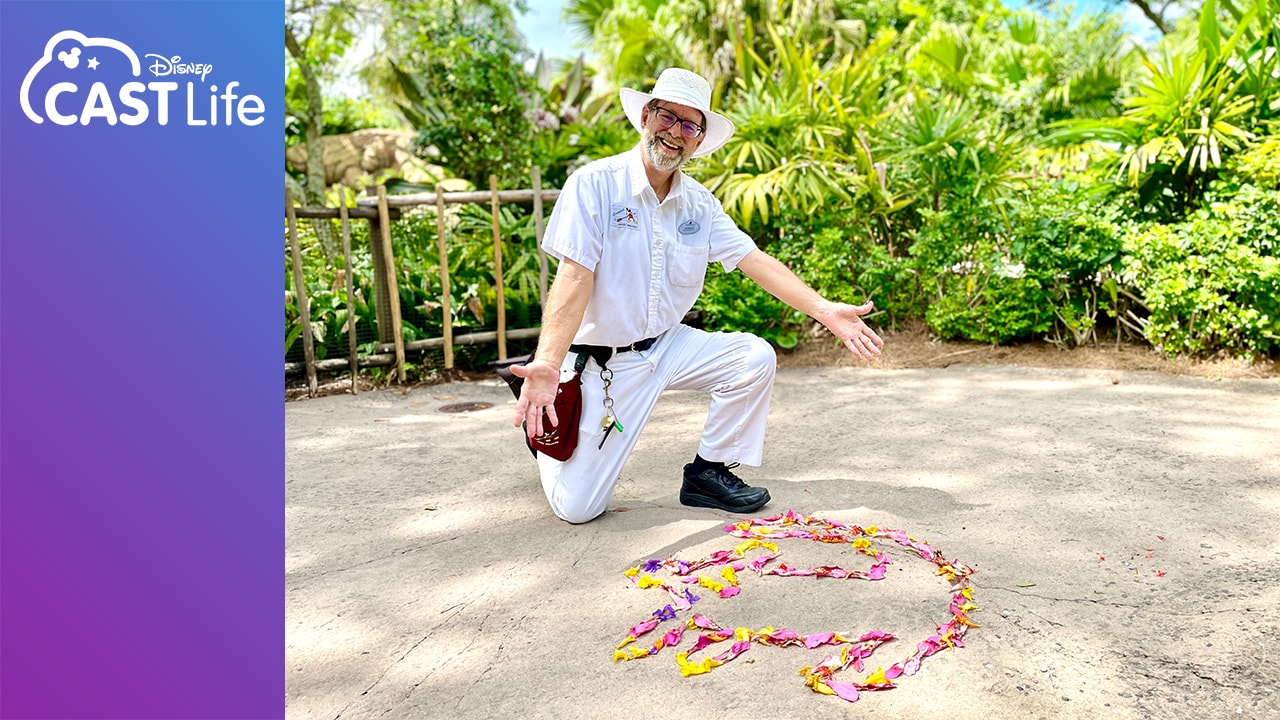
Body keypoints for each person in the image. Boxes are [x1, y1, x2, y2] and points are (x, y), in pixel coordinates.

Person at [510, 67, 883, 524]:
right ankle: (547, 433)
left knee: (753, 357)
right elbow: (573, 277)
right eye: (668, 117)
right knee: (580, 509)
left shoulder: (699, 203)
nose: (675, 133)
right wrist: (548, 363)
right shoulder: (594, 184)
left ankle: (707, 474)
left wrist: (825, 310)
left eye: (691, 126)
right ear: (646, 116)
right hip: (604, 362)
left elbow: (754, 259)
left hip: (667, 345)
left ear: (700, 140)